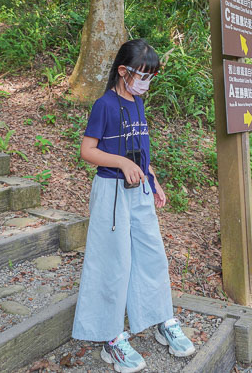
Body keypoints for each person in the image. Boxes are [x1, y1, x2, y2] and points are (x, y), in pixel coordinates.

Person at [72, 39, 195, 372]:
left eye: (151, 77)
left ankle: (160, 319)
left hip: (139, 191)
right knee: (113, 261)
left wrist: (154, 180)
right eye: (142, 75)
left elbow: (141, 152)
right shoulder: (105, 105)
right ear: (123, 71)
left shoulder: (138, 103)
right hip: (112, 193)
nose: (146, 83)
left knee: (152, 254)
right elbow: (88, 150)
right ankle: (112, 339)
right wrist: (120, 163)